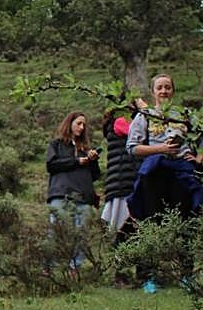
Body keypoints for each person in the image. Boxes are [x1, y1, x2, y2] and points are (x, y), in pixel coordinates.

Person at [126, 74, 203, 291]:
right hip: (155, 174)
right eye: (159, 87)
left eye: (168, 87)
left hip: (182, 173)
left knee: (185, 220)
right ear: (153, 92)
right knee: (150, 221)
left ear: (173, 91)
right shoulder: (144, 116)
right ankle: (149, 276)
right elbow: (132, 148)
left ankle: (187, 274)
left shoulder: (185, 116)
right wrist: (160, 149)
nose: (164, 91)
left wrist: (198, 158)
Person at [45, 112, 101, 273]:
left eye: (84, 125)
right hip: (61, 193)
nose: (82, 127)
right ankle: (49, 268)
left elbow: (95, 176)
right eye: (78, 123)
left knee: (81, 233)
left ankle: (74, 267)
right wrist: (76, 161)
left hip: (83, 196)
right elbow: (51, 165)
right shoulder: (56, 144)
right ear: (69, 123)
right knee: (56, 231)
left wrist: (93, 160)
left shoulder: (86, 149)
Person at [101, 106, 139, 286]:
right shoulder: (120, 123)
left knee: (132, 230)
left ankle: (129, 273)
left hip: (127, 182)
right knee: (125, 230)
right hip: (124, 183)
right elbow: (137, 129)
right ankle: (121, 275)